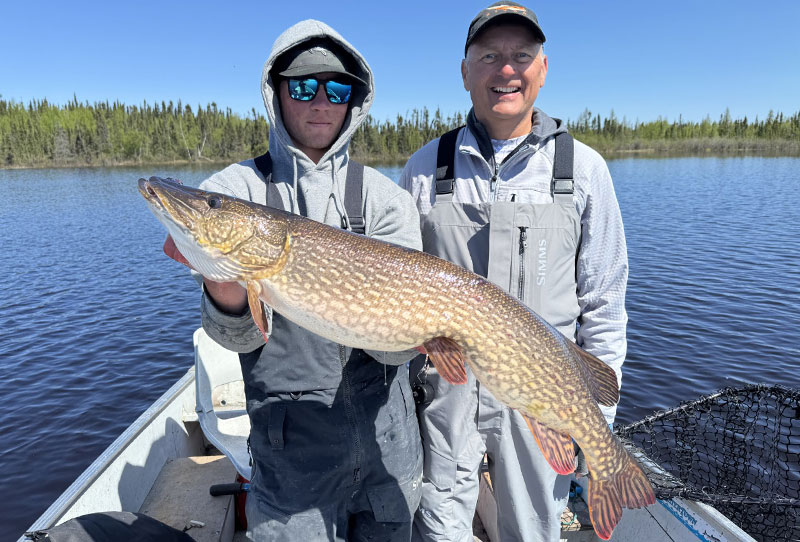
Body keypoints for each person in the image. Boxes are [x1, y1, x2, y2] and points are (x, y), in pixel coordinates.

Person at [163, 19, 423, 541]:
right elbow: (235, 337)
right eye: (304, 86)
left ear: (355, 99)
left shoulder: (385, 200)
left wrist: (425, 337)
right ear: (276, 92)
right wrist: (225, 283)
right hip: (290, 462)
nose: (321, 102)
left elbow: (398, 353)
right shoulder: (235, 188)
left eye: (337, 88)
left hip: (387, 447)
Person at [399, 3, 629, 541]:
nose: (506, 69)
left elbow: (604, 302)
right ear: (465, 72)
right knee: (440, 529)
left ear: (542, 69)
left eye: (521, 55)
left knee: (534, 531)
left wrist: (596, 422)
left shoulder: (584, 170)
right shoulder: (423, 167)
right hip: (448, 391)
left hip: (544, 390)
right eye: (489, 56)